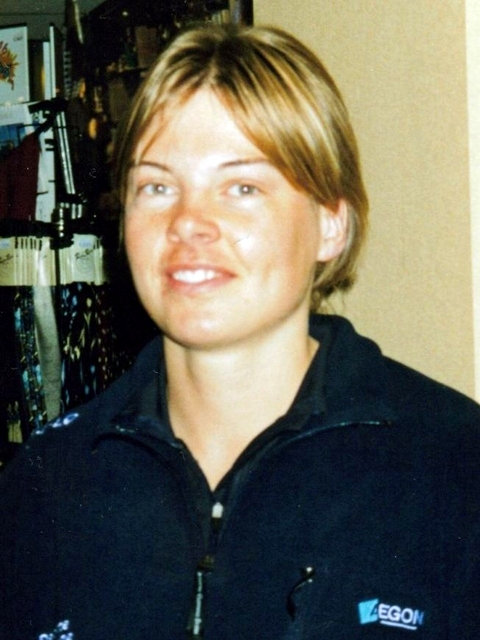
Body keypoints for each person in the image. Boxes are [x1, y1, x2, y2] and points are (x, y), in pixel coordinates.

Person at [1, 23, 480, 640]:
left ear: (331, 224)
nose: (188, 222)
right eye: (157, 186)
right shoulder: (44, 485)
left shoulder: (453, 467)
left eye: (242, 187)